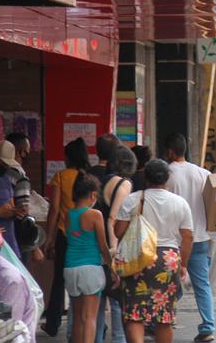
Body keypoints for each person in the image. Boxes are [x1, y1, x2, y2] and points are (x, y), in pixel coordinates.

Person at [116, 159, 193, 343]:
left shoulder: (133, 199)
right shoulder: (180, 202)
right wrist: (183, 263)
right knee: (164, 316)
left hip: (138, 258)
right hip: (168, 259)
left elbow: (118, 232)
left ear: (145, 177)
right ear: (167, 178)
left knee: (135, 313)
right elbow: (188, 237)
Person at [164, 133, 216, 342]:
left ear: (170, 152)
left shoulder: (166, 174)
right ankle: (208, 326)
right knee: (202, 284)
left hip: (174, 239)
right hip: (200, 236)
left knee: (169, 282)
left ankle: (165, 320)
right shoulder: (203, 173)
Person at [42, 137, 89, 337]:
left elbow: (54, 210)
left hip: (64, 234)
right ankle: (91, 321)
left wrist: (49, 238)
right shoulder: (87, 178)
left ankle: (52, 323)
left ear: (68, 158)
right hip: (85, 235)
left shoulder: (61, 177)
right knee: (84, 279)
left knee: (59, 280)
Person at [65, 170, 115, 343]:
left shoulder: (69, 215)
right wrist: (112, 267)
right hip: (90, 269)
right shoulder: (95, 215)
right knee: (90, 318)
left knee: (77, 319)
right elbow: (103, 246)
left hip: (70, 268)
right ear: (93, 194)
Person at [96, 146, 136, 343]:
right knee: (118, 301)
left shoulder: (104, 180)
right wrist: (115, 251)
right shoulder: (124, 183)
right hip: (112, 244)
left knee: (99, 300)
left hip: (96, 243)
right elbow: (113, 217)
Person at [4, 133, 40, 262]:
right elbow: (23, 211)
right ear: (22, 152)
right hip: (16, 237)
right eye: (27, 151)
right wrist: (35, 247)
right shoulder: (19, 175)